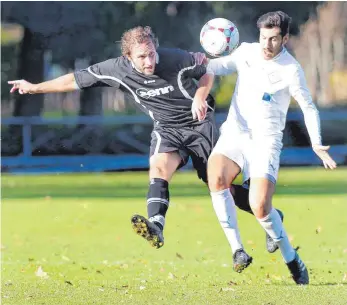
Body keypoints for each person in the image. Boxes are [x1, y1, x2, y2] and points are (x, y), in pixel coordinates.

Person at [8, 26, 279, 272]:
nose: (149, 61)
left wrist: (199, 96)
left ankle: (268, 214)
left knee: (219, 186)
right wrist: (34, 89)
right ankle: (156, 226)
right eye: (142, 57)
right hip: (166, 129)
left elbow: (207, 72)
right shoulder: (115, 70)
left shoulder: (175, 58)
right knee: (158, 168)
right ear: (128, 58)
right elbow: (73, 80)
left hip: (198, 125)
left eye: (151, 54)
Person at [193, 11, 337, 284]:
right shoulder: (246, 52)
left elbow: (308, 107)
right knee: (216, 176)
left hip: (266, 141)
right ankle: (237, 250)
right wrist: (193, 61)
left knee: (259, 206)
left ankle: (292, 258)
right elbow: (215, 66)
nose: (266, 44)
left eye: (273, 39)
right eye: (263, 37)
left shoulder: (291, 69)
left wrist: (316, 143)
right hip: (236, 132)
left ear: (284, 38)